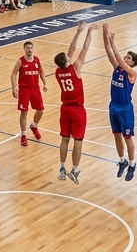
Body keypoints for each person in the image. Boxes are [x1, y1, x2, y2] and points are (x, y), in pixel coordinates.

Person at [54, 23, 96, 183]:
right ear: (66, 61)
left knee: (64, 139)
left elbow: (70, 51)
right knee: (78, 140)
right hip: (77, 110)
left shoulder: (58, 72)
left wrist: (78, 31)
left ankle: (62, 168)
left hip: (64, 109)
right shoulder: (75, 67)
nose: (70, 55)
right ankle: (75, 170)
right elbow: (84, 49)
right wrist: (88, 32)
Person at [102, 22, 137, 181]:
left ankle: (132, 164)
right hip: (113, 106)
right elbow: (109, 52)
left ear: (133, 62)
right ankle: (122, 161)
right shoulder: (117, 68)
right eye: (126, 56)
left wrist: (113, 41)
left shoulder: (132, 72)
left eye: (128, 58)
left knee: (127, 137)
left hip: (125, 108)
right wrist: (105, 34)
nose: (125, 58)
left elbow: (117, 56)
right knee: (116, 135)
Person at [11, 41, 48, 147]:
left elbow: (41, 72)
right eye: (27, 48)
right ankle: (23, 135)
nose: (29, 50)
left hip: (35, 88)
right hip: (24, 89)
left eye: (31, 48)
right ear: (24, 49)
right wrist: (14, 87)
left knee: (40, 110)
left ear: (33, 49)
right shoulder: (20, 61)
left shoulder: (37, 60)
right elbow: (13, 74)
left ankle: (34, 125)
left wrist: (45, 83)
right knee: (24, 112)